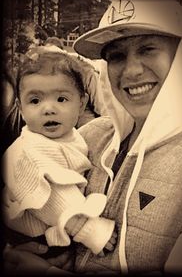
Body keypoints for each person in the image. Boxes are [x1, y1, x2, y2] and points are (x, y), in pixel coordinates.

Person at [3, 0, 182, 276]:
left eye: (148, 49)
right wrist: (36, 251)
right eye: (116, 55)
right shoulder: (88, 137)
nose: (131, 70)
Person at [2, 46, 116, 264]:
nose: (48, 109)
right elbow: (50, 199)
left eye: (61, 99)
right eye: (35, 101)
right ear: (21, 108)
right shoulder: (27, 150)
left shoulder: (74, 137)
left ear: (81, 104)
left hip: (56, 236)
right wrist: (89, 229)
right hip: (34, 236)